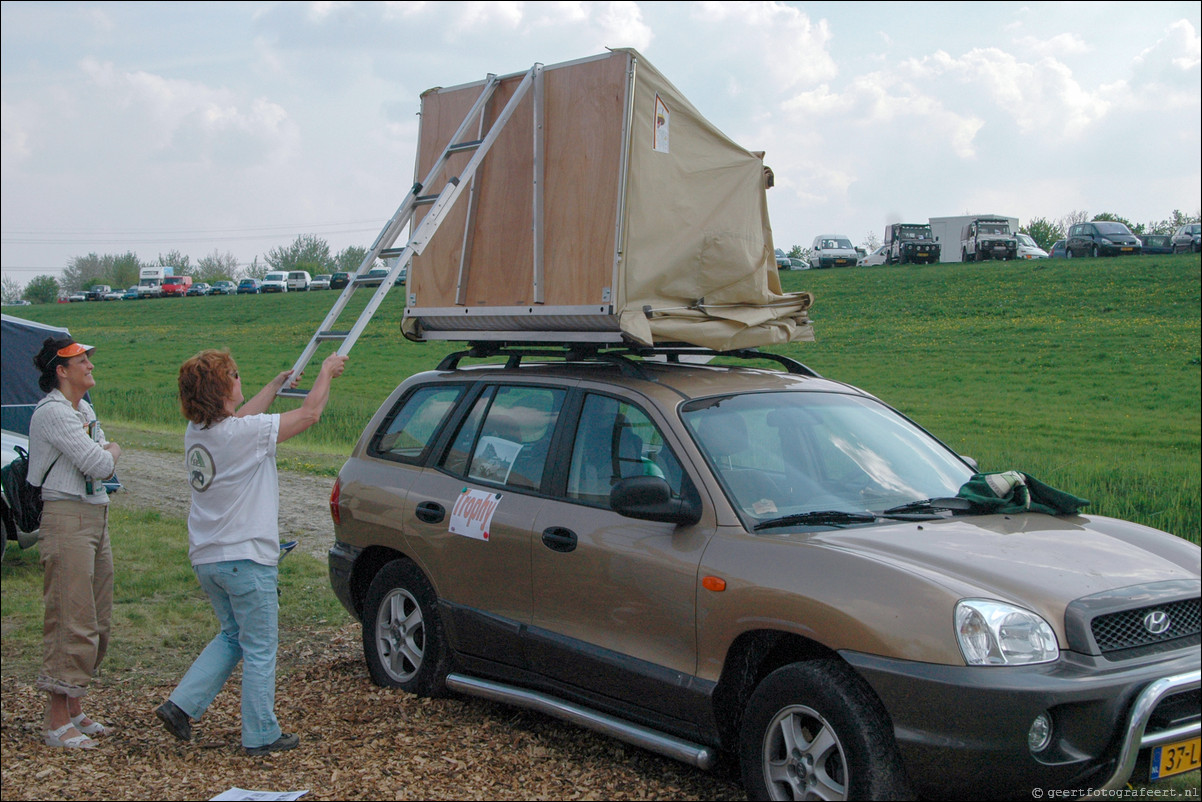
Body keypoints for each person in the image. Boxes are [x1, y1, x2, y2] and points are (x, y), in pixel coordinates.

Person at [155, 350, 347, 756]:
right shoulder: (240, 435)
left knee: (233, 636)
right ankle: (261, 734)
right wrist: (327, 372)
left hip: (209, 558)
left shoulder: (200, 434)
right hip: (246, 559)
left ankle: (181, 705)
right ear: (222, 390)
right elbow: (310, 414)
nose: (240, 380)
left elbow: (242, 420)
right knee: (260, 646)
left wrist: (275, 387)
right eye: (235, 376)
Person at [28, 338, 122, 749]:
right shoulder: (52, 413)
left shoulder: (83, 409)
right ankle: (56, 722)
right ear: (61, 372)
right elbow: (100, 462)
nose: (88, 364)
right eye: (79, 360)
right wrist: (112, 449)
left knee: (98, 618)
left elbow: (97, 462)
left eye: (87, 358)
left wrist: (103, 451)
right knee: (71, 617)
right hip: (66, 518)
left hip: (95, 515)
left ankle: (76, 707)